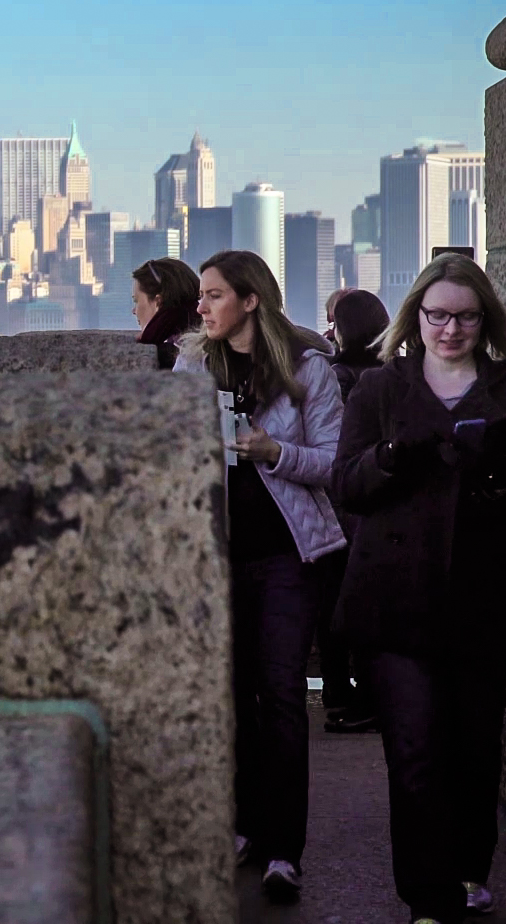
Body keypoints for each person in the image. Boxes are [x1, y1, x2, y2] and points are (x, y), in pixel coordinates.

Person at [333, 254, 506, 923]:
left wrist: (498, 474)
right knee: (415, 751)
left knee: (475, 748)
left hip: (481, 596)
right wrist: (393, 456)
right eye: (438, 315)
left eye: (466, 316)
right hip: (396, 597)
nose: (451, 329)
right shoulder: (381, 391)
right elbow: (347, 486)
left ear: (486, 321)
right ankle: (428, 898)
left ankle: (470, 868)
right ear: (416, 317)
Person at [174, 250, 346, 902]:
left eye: (214, 295)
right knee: (234, 696)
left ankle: (284, 848)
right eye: (201, 296)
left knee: (279, 697)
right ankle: (243, 826)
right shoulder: (193, 366)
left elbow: (334, 463)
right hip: (216, 557)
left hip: (286, 558)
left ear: (250, 300)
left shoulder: (307, 370)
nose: (202, 306)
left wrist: (275, 452)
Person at [320, 289, 390, 732]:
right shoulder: (396, 374)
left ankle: (341, 692)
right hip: (380, 506)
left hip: (342, 507)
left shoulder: (338, 376)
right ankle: (367, 695)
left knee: (335, 604)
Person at [131, 256, 200, 368]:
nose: (134, 311)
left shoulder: (174, 353)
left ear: (158, 302)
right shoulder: (198, 335)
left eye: (136, 301)